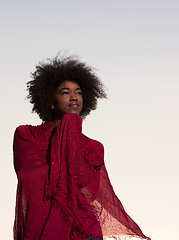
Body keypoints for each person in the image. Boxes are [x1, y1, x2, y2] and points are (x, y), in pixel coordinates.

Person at [13, 55, 150, 240]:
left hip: (83, 231)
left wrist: (71, 127)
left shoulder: (93, 148)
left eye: (78, 92)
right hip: (39, 229)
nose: (74, 97)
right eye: (65, 92)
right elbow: (27, 177)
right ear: (50, 100)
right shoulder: (26, 136)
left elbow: (88, 193)